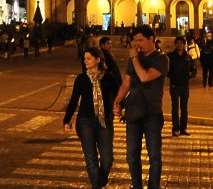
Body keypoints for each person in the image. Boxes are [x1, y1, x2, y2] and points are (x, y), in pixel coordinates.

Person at [112, 24, 168, 189]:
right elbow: (126, 83)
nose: (137, 44)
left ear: (151, 39)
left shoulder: (161, 59)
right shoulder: (134, 59)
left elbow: (144, 77)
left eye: (141, 40)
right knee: (131, 155)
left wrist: (135, 58)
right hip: (133, 111)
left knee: (154, 156)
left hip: (152, 112)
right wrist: (117, 102)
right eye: (135, 41)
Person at [64, 47, 119, 189]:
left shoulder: (109, 78)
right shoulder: (81, 79)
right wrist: (67, 120)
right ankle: (98, 185)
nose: (85, 61)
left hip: (104, 121)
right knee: (91, 159)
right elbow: (73, 100)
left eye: (88, 58)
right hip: (85, 121)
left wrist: (119, 107)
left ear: (98, 59)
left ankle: (98, 181)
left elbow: (120, 96)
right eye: (84, 59)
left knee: (107, 159)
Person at [166, 36, 192, 137]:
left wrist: (190, 74)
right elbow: (166, 70)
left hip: (185, 85)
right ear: (175, 44)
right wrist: (173, 76)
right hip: (174, 85)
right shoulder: (170, 56)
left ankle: (183, 128)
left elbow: (193, 69)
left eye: (181, 43)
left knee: (184, 108)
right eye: (177, 43)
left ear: (184, 45)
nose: (179, 45)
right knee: (175, 108)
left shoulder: (188, 57)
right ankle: (175, 129)